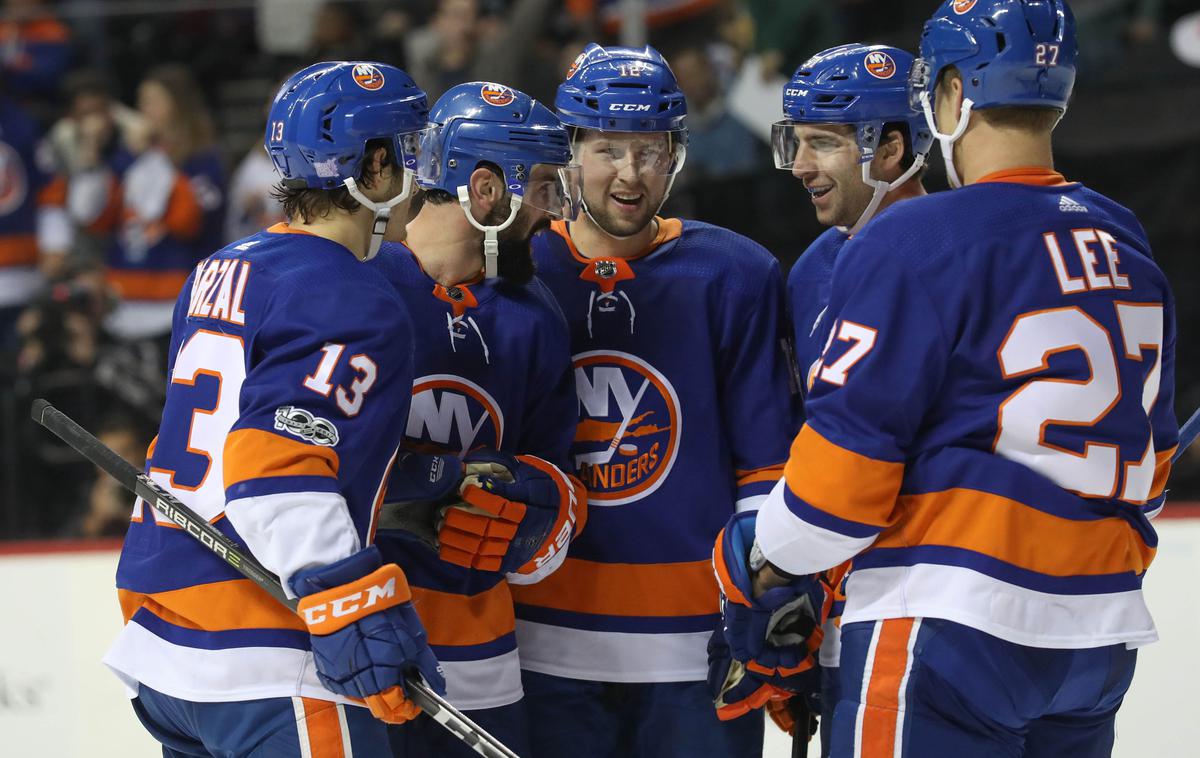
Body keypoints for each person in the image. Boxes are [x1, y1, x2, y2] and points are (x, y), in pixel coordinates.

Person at [714, 2, 1179, 756]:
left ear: (954, 94)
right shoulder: (1121, 235)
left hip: (949, 624)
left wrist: (760, 560)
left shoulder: (917, 236)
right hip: (1098, 637)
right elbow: (1151, 472)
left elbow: (839, 491)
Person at [104, 61, 447, 756]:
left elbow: (241, 427)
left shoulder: (220, 267)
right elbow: (272, 469)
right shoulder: (356, 295)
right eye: (409, 149)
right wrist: (350, 600)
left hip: (169, 643)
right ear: (373, 167)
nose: (422, 169)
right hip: (266, 653)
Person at [512, 43, 798, 757]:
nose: (631, 174)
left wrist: (765, 596)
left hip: (696, 646)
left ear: (676, 155)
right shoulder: (520, 269)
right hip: (542, 644)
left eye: (652, 151)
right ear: (568, 152)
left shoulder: (737, 273)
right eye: (608, 148)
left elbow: (765, 466)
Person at [708, 42, 935, 756]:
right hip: (844, 614)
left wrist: (772, 562)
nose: (801, 165)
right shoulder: (812, 271)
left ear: (891, 146)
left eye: (825, 143)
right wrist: (793, 601)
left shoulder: (957, 254)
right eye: (796, 141)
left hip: (932, 607)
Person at [371, 80, 587, 758]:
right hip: (356, 649)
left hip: (480, 658)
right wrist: (405, 489)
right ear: (487, 191)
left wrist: (535, 506)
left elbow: (561, 482)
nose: (552, 218)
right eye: (545, 190)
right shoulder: (356, 291)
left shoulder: (534, 315)